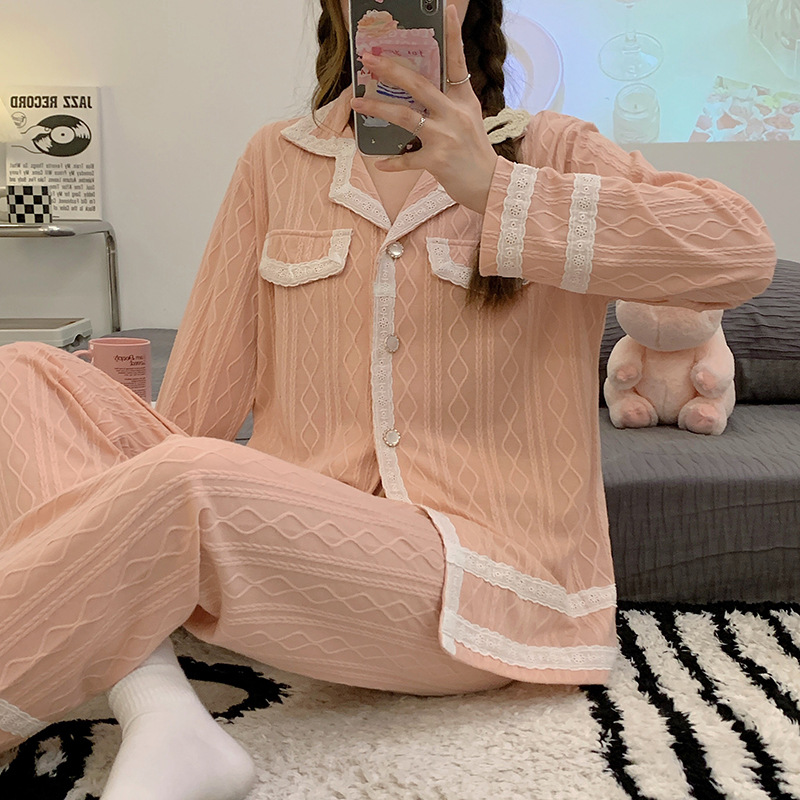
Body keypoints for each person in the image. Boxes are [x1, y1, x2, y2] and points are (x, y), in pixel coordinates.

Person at [0, 1, 776, 798]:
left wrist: (495, 188)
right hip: (295, 559)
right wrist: (116, 482)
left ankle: (133, 685)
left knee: (186, 483)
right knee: (21, 376)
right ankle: (161, 708)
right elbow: (190, 415)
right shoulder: (276, 158)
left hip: (477, 586)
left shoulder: (553, 149)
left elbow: (740, 252)